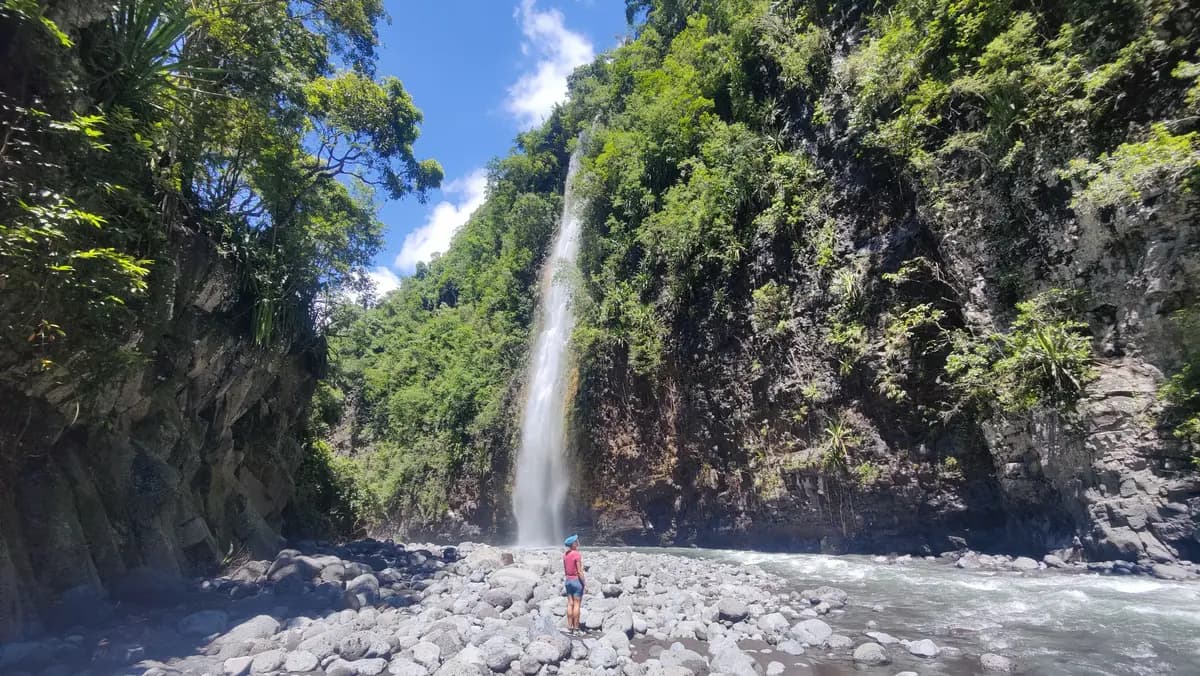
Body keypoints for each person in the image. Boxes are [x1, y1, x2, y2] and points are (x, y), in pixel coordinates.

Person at [563, 534, 585, 634]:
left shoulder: (565, 555)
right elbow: (579, 571)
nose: (578, 541)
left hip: (568, 581)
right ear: (574, 544)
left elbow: (565, 570)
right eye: (577, 540)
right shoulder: (577, 554)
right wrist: (584, 583)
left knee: (570, 603)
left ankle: (569, 626)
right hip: (576, 581)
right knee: (576, 604)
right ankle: (576, 627)